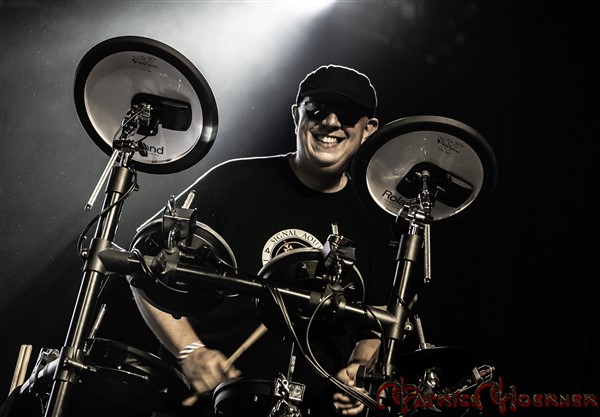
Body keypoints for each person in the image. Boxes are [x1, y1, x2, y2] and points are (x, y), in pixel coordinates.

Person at [130, 64, 401, 417]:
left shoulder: (375, 220)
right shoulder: (234, 180)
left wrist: (359, 368)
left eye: (348, 113)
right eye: (317, 109)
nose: (331, 122)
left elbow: (379, 321)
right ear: (296, 115)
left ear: (368, 130)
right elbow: (143, 261)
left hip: (309, 407)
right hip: (206, 404)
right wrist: (189, 351)